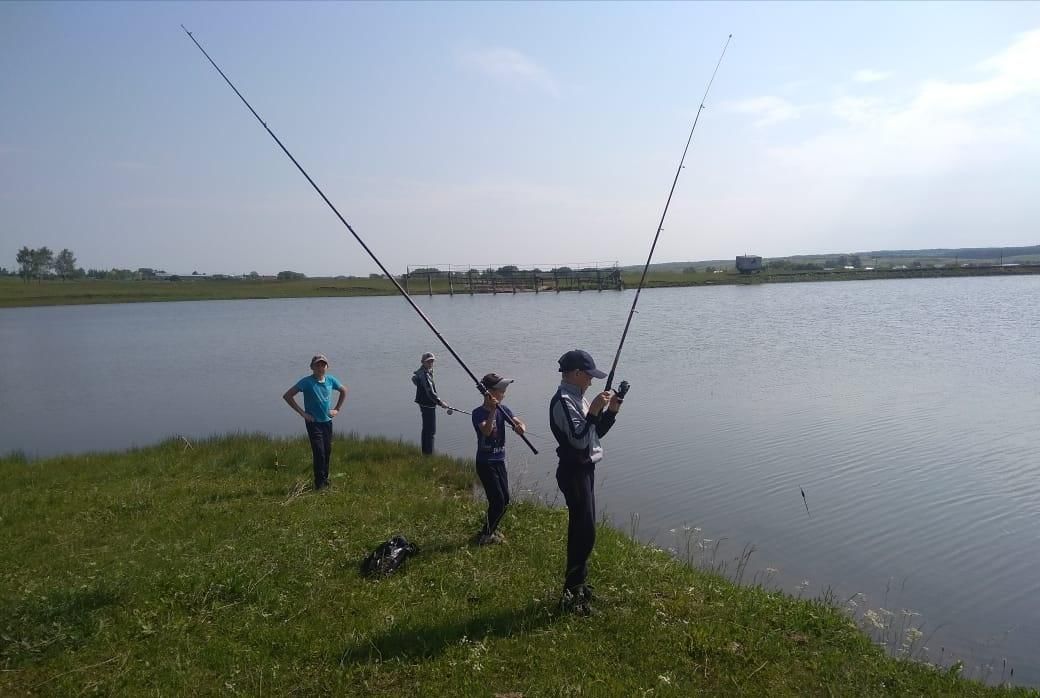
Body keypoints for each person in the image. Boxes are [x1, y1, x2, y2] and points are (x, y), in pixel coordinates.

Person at [549, 349, 622, 614]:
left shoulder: (577, 398)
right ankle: (571, 595)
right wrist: (593, 410)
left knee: (584, 531)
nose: (592, 381)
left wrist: (610, 411)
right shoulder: (563, 401)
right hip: (574, 472)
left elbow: (594, 434)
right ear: (577, 374)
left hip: (585, 470)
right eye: (589, 375)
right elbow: (578, 440)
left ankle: (577, 586)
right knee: (584, 532)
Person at [471, 373, 526, 545]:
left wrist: (520, 427)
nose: (504, 393)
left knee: (505, 500)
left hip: (499, 461)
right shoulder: (478, 413)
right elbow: (486, 431)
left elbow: (518, 421)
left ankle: (490, 530)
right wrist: (493, 410)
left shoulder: (505, 410)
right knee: (497, 500)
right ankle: (486, 535)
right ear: (489, 393)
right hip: (485, 463)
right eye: (501, 390)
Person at [282, 354, 347, 491]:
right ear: (312, 367)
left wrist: (337, 409)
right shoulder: (306, 382)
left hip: (327, 422)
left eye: (323, 365)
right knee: (319, 452)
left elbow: (344, 390)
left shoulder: (330, 380)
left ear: (327, 367)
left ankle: (325, 479)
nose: (320, 367)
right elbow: (287, 396)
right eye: (317, 365)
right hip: (313, 423)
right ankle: (319, 484)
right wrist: (302, 413)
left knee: (327, 451)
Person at [412, 352, 447, 455]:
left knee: (426, 429)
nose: (431, 363)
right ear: (423, 362)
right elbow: (430, 392)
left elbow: (414, 379)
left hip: (424, 403)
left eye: (432, 361)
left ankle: (425, 453)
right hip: (427, 404)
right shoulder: (424, 374)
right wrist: (441, 403)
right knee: (431, 431)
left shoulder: (425, 371)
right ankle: (428, 455)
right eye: (428, 361)